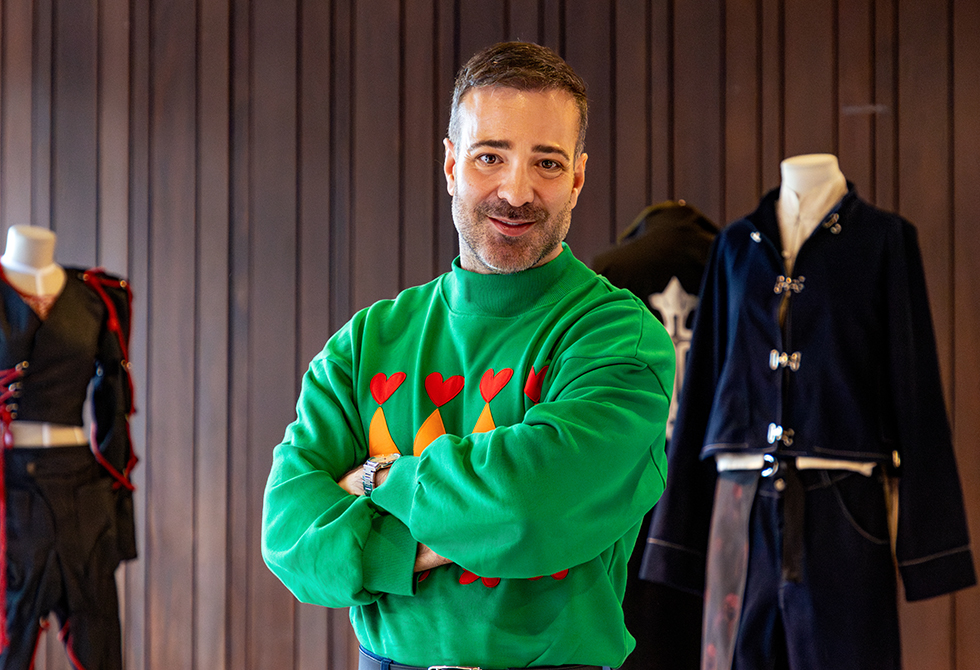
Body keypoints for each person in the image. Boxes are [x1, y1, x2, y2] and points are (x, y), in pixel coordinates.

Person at [262, 41, 675, 670]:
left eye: (547, 163)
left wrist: (377, 480)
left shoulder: (619, 338)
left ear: (578, 178)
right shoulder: (365, 341)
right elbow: (290, 538)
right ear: (452, 164)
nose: (517, 191)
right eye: (490, 156)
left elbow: (527, 509)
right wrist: (467, 516)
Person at [643, 154, 976, 670]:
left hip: (845, 502)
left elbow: (916, 391)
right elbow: (704, 385)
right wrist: (676, 539)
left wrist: (933, 549)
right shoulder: (735, 245)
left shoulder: (885, 240)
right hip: (739, 498)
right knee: (734, 659)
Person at [0, 224, 137, 670]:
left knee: (100, 643)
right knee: (7, 642)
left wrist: (117, 503)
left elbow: (114, 400)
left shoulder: (95, 295)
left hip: (82, 488)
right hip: (8, 493)